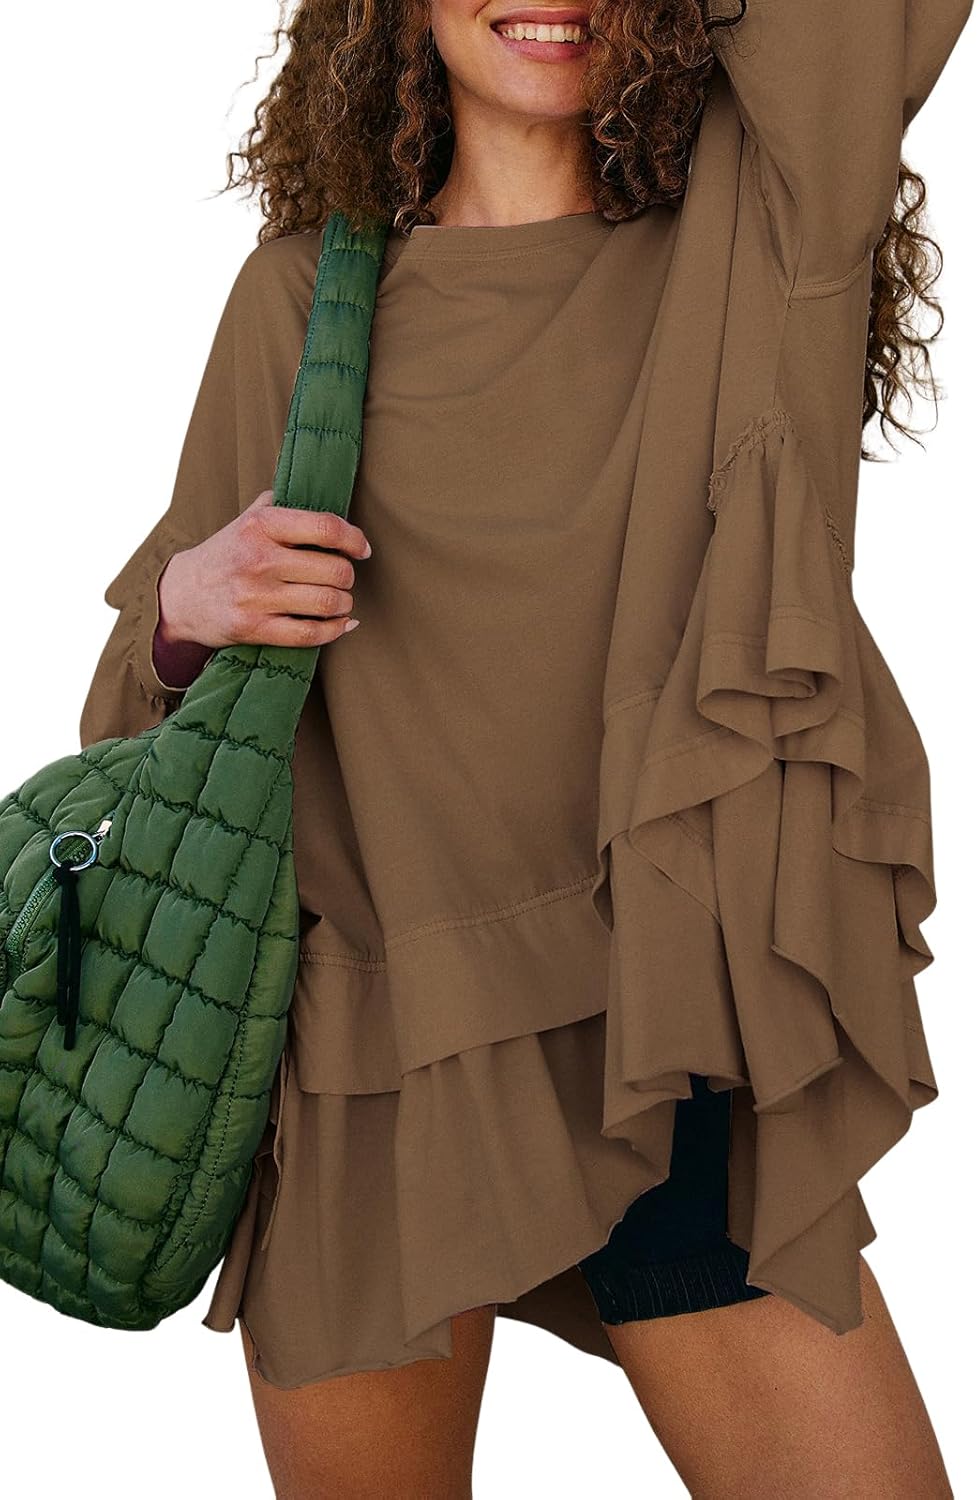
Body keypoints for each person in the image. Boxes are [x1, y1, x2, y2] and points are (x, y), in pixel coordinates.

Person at [79, 0, 972, 1494]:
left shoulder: (754, 252)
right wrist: (186, 607)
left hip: (658, 1039)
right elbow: (137, 742)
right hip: (364, 1069)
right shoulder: (304, 300)